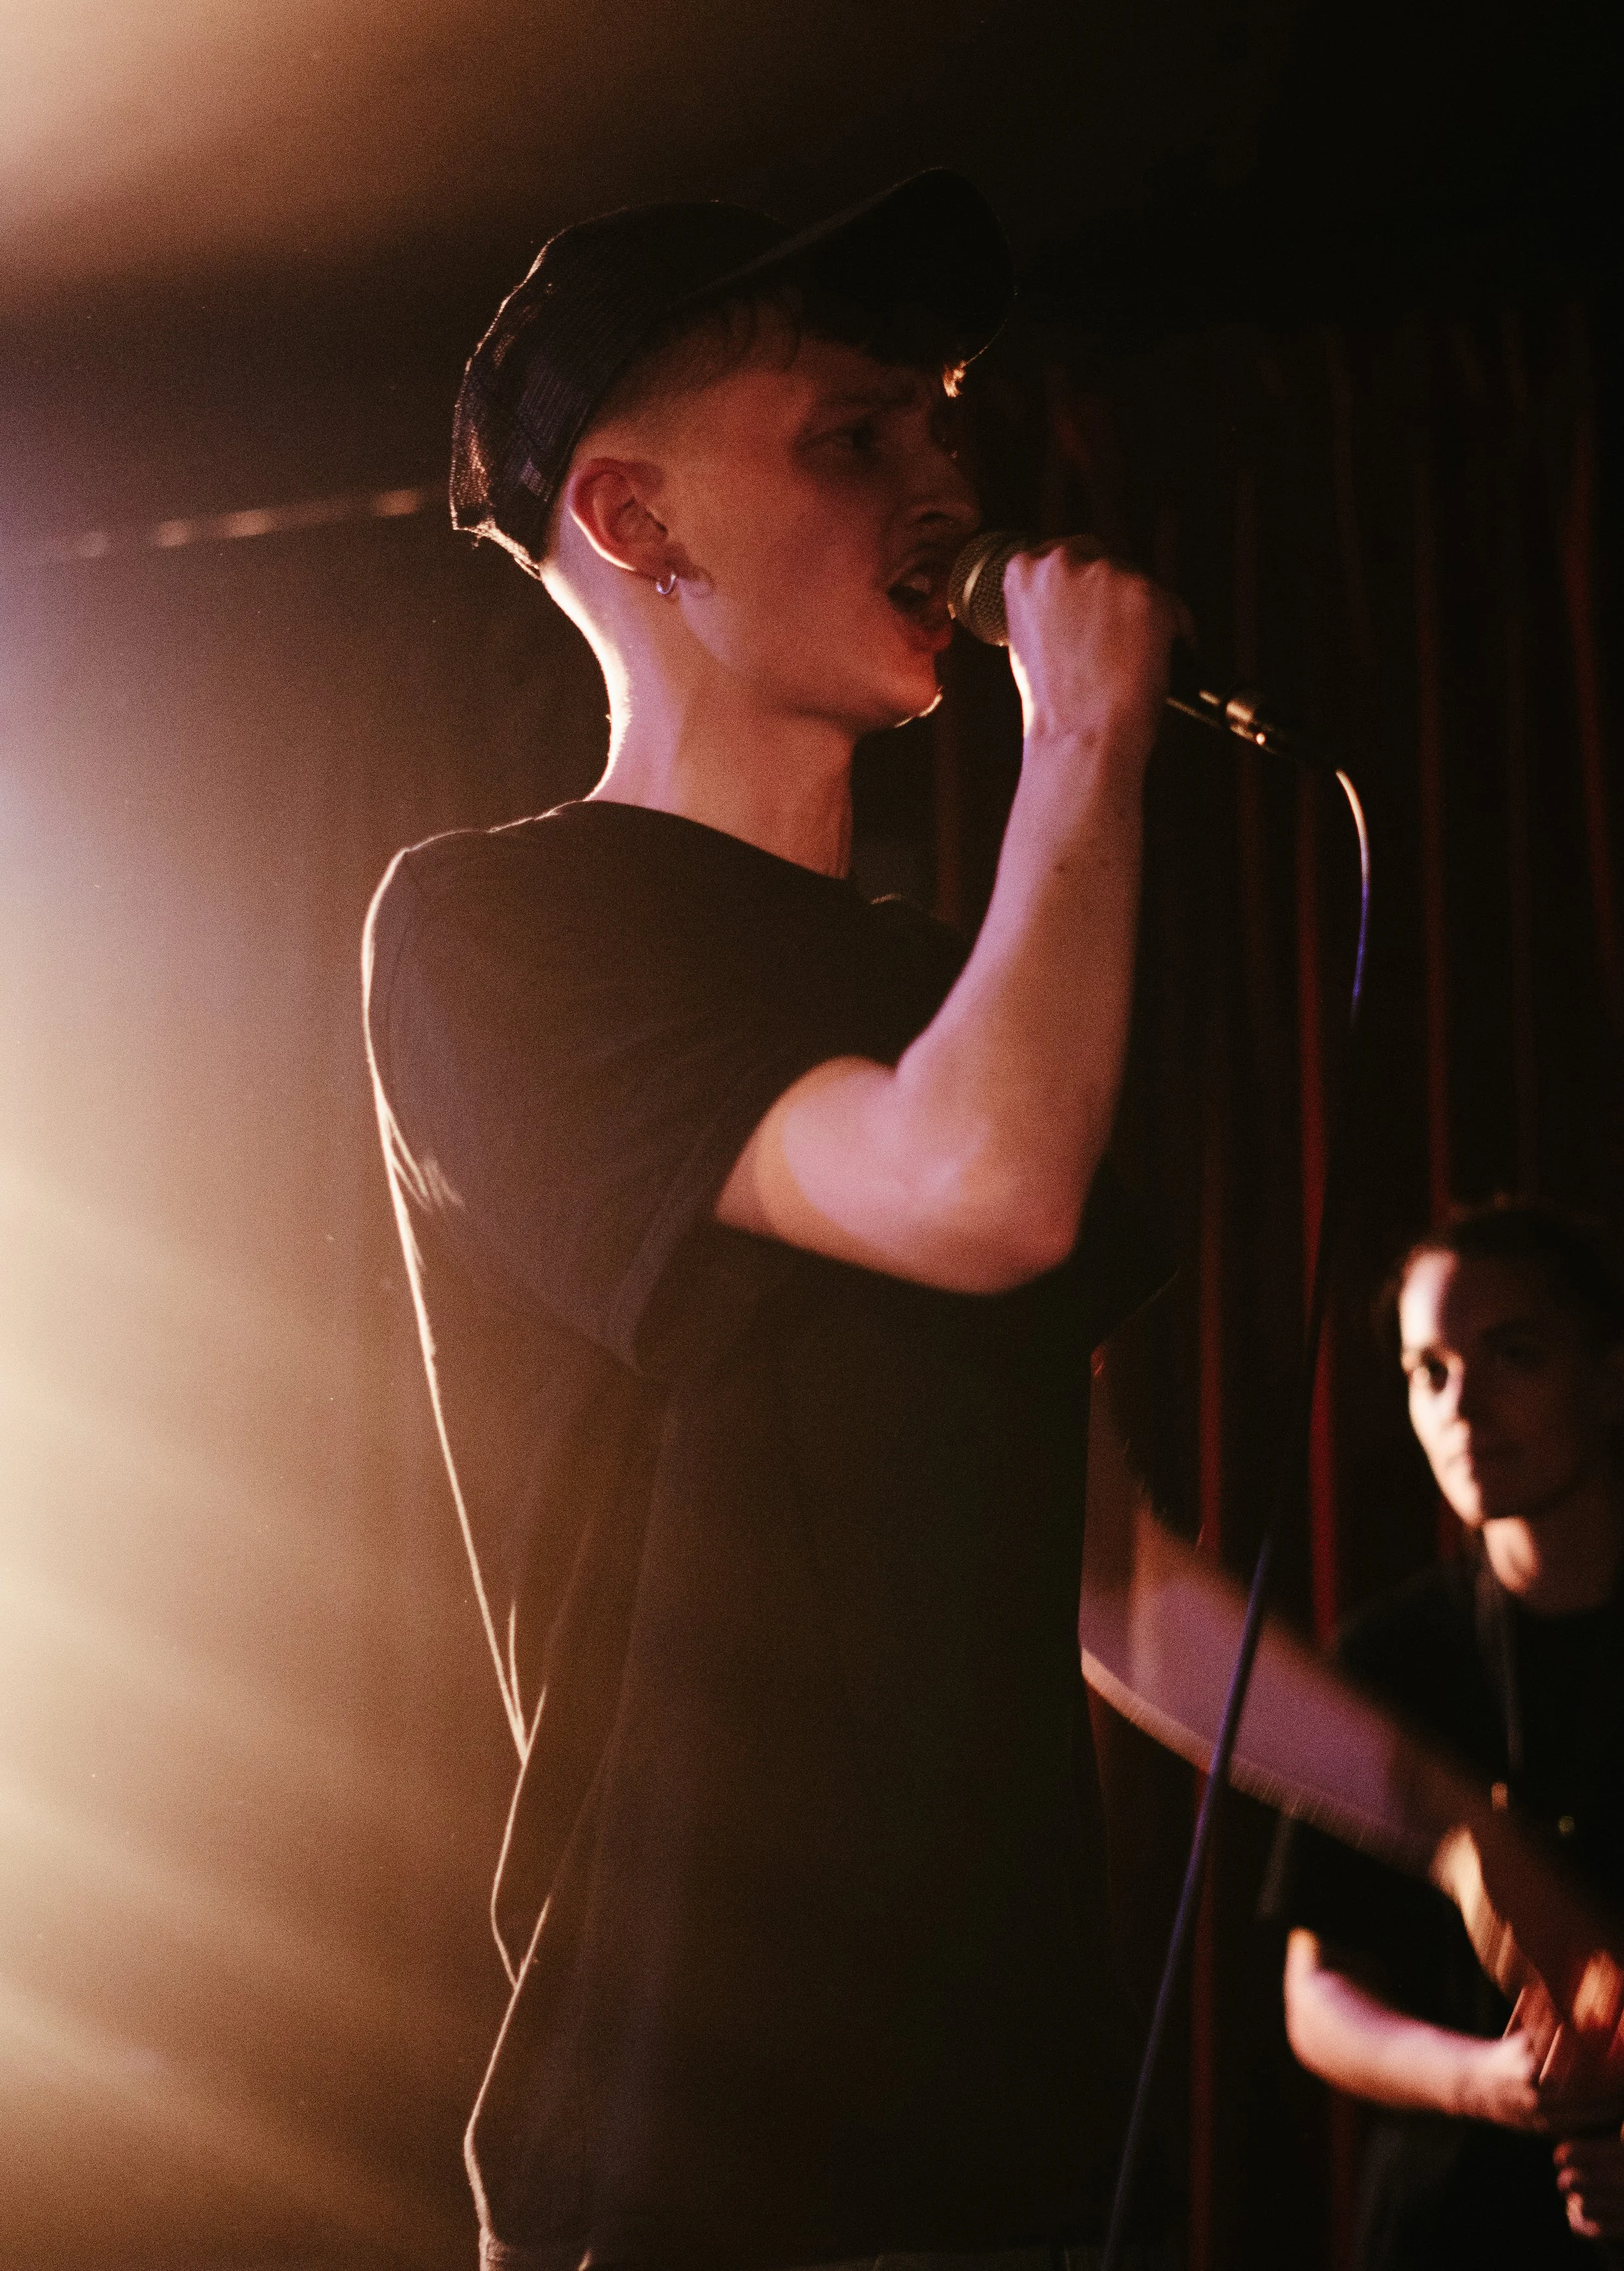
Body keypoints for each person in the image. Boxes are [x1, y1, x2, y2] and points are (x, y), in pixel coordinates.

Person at [362, 173, 1624, 2271]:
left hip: (1002, 2156)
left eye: (942, 417)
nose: (948, 470)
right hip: (691, 2157)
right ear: (632, 521)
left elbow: (1106, 1569)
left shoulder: (940, 990)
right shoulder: (500, 927)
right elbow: (979, 1185)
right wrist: (1096, 732)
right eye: (857, 435)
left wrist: (1465, 1828)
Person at [1270, 1200, 1624, 2266]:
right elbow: (1318, 1991)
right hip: (1449, 2225)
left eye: (1511, 1354)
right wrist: (1486, 2080)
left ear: (1611, 1377)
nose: (1461, 1404)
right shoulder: (1385, 1653)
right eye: (1429, 1369)